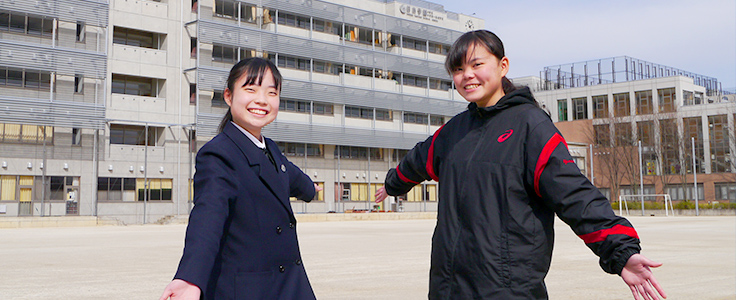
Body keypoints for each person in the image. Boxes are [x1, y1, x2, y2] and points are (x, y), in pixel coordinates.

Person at [375, 30, 666, 300]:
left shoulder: (531, 126)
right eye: (458, 69)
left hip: (507, 290)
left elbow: (574, 194)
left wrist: (620, 250)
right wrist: (392, 185)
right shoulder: (454, 132)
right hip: (448, 288)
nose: (467, 76)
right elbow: (416, 161)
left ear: (503, 66)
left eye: (477, 65)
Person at [159, 57, 321, 300]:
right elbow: (208, 216)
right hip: (252, 290)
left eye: (271, 92)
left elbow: (291, 175)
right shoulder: (219, 154)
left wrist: (311, 190)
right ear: (228, 96)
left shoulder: (270, 149)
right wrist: (190, 277)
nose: (262, 100)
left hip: (289, 285)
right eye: (250, 89)